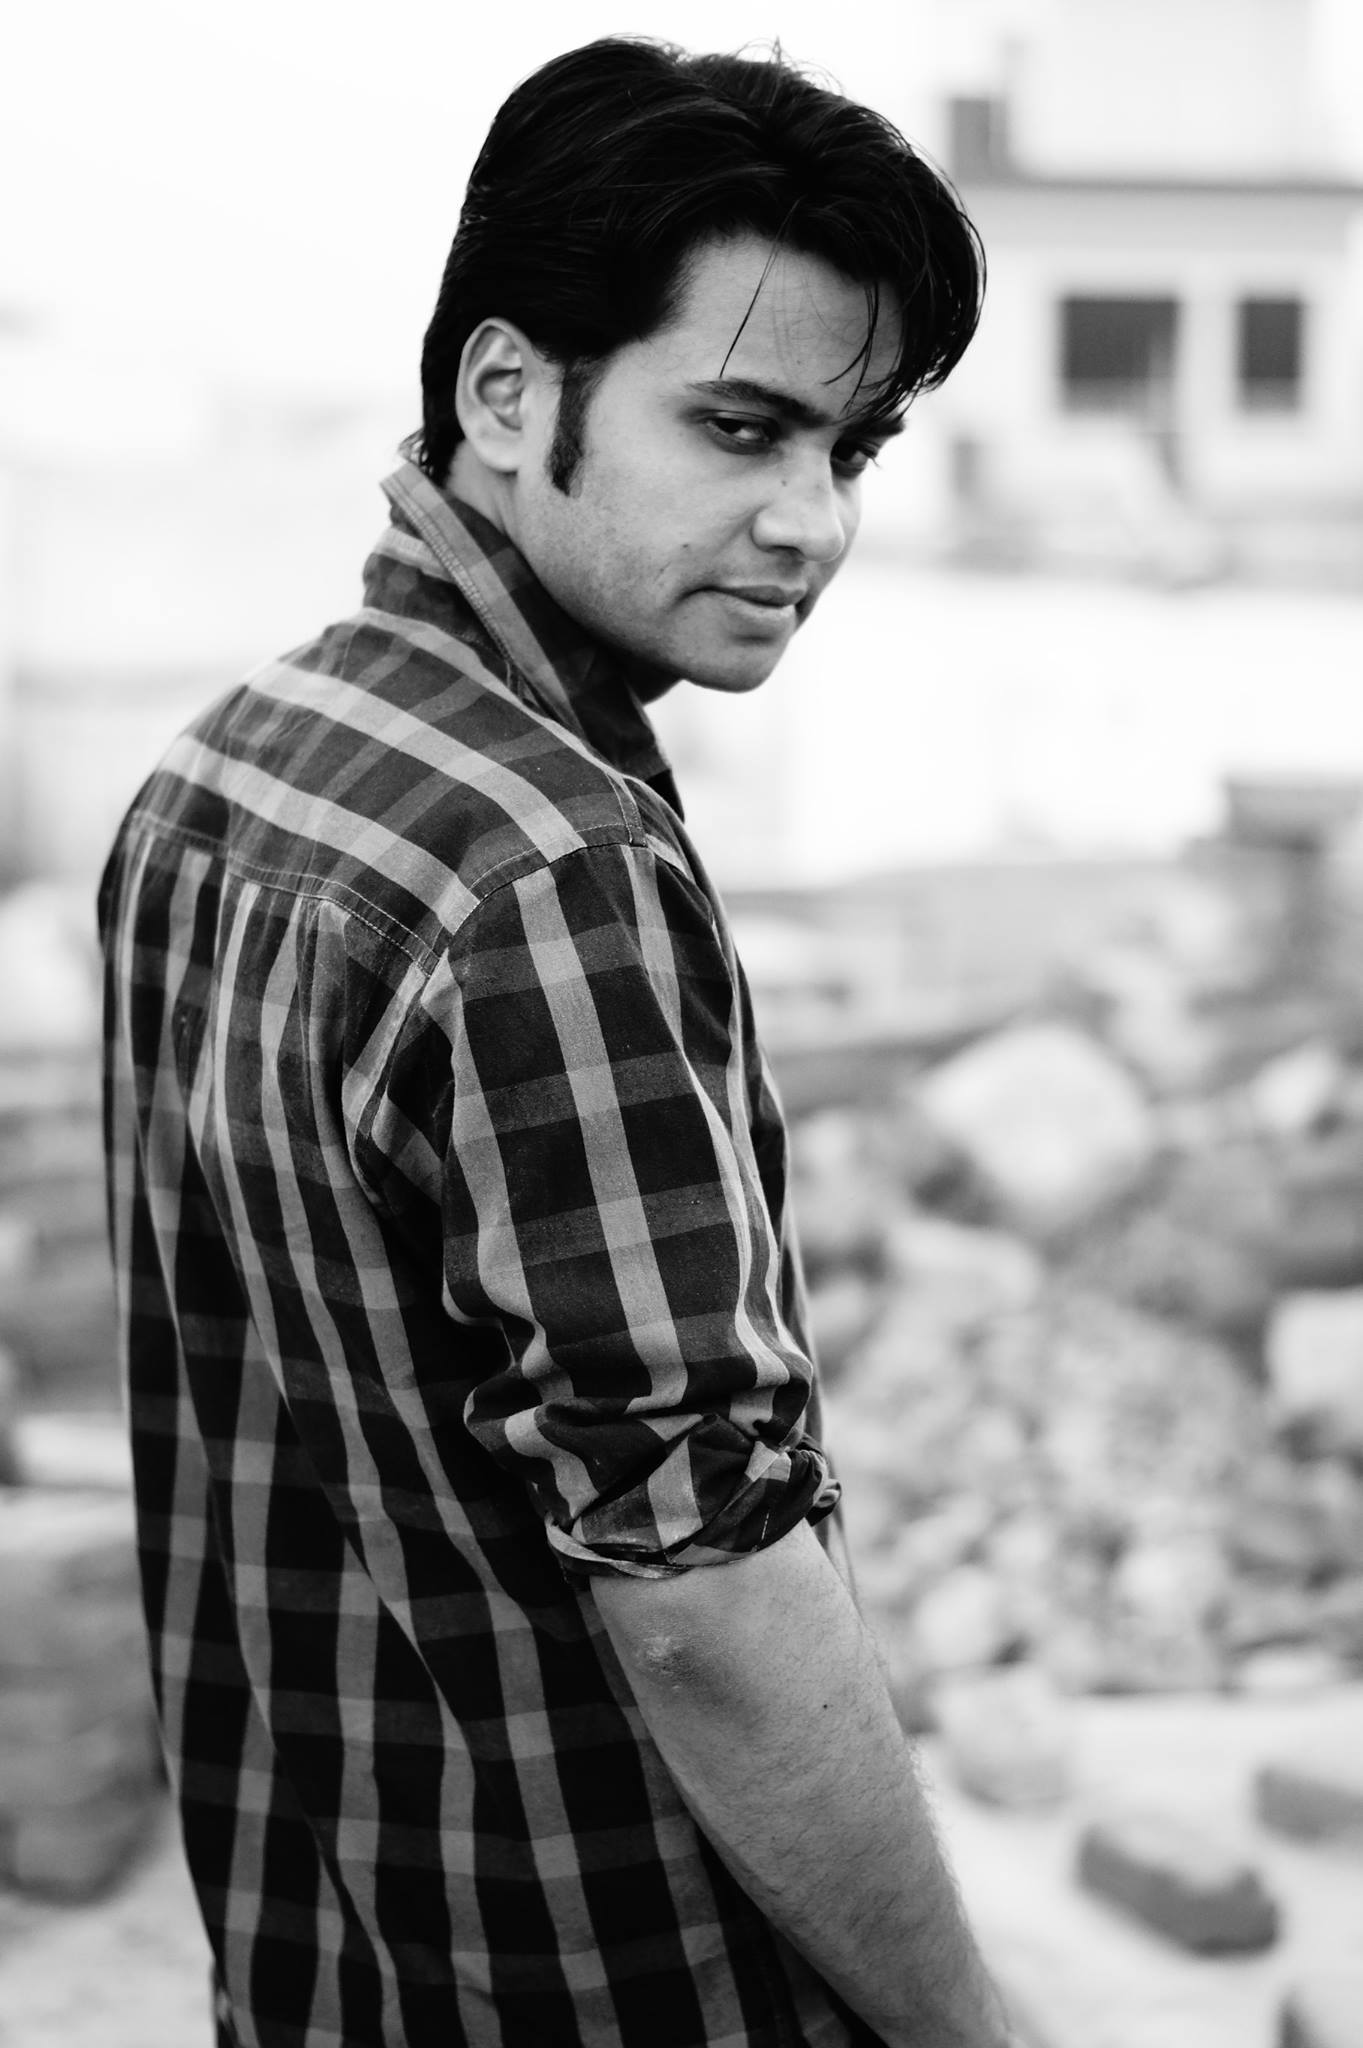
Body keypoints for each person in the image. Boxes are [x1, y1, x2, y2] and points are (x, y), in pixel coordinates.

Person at [99, 36, 1011, 2048]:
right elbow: (705, 1599)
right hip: (606, 1981)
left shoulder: (221, 772)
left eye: (852, 452)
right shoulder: (548, 871)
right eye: (741, 428)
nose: (810, 523)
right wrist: (971, 2026)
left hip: (322, 1954)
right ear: (508, 394)